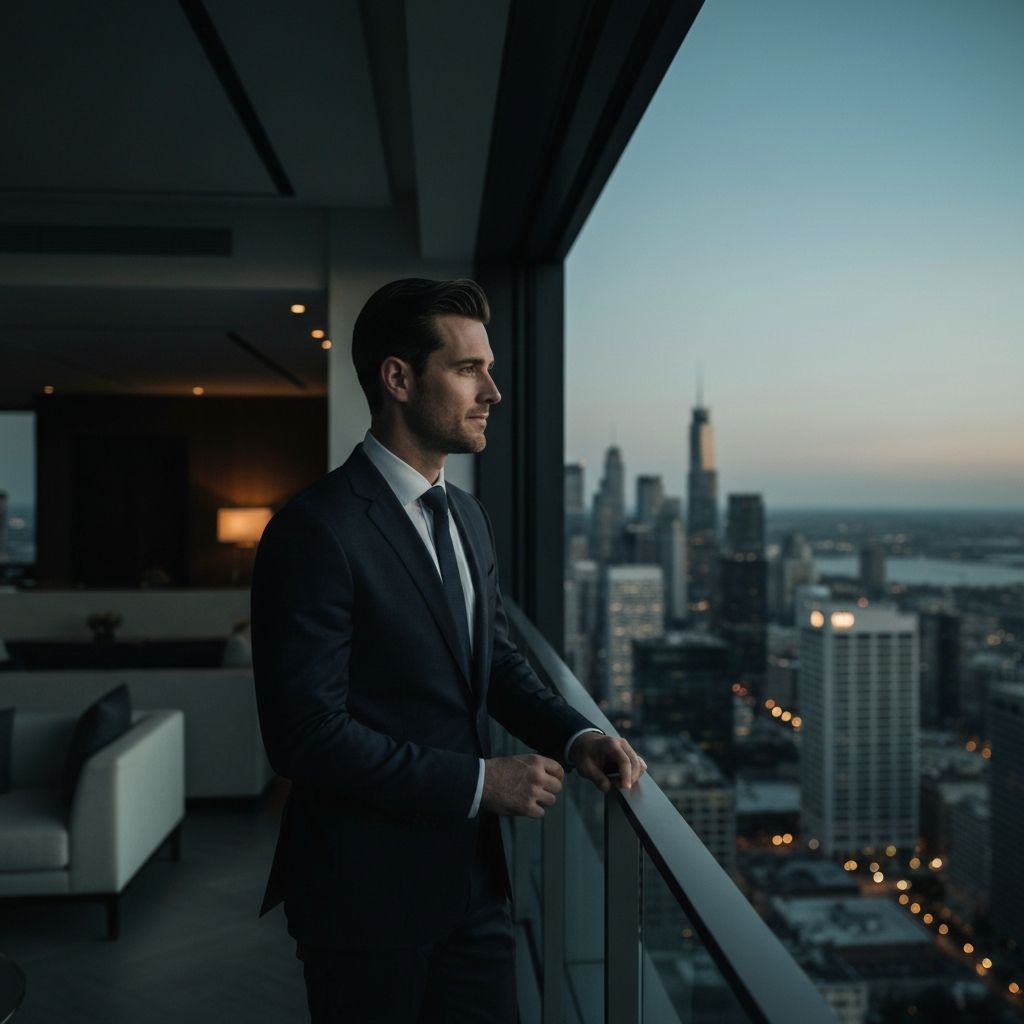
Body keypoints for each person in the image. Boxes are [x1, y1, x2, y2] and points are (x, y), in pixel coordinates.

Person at [251, 278, 646, 1023]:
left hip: (473, 886)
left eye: (490, 369)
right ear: (397, 379)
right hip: (363, 899)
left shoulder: (466, 515)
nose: (493, 390)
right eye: (469, 369)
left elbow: (493, 662)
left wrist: (578, 734)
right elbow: (303, 736)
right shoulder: (315, 530)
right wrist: (479, 784)